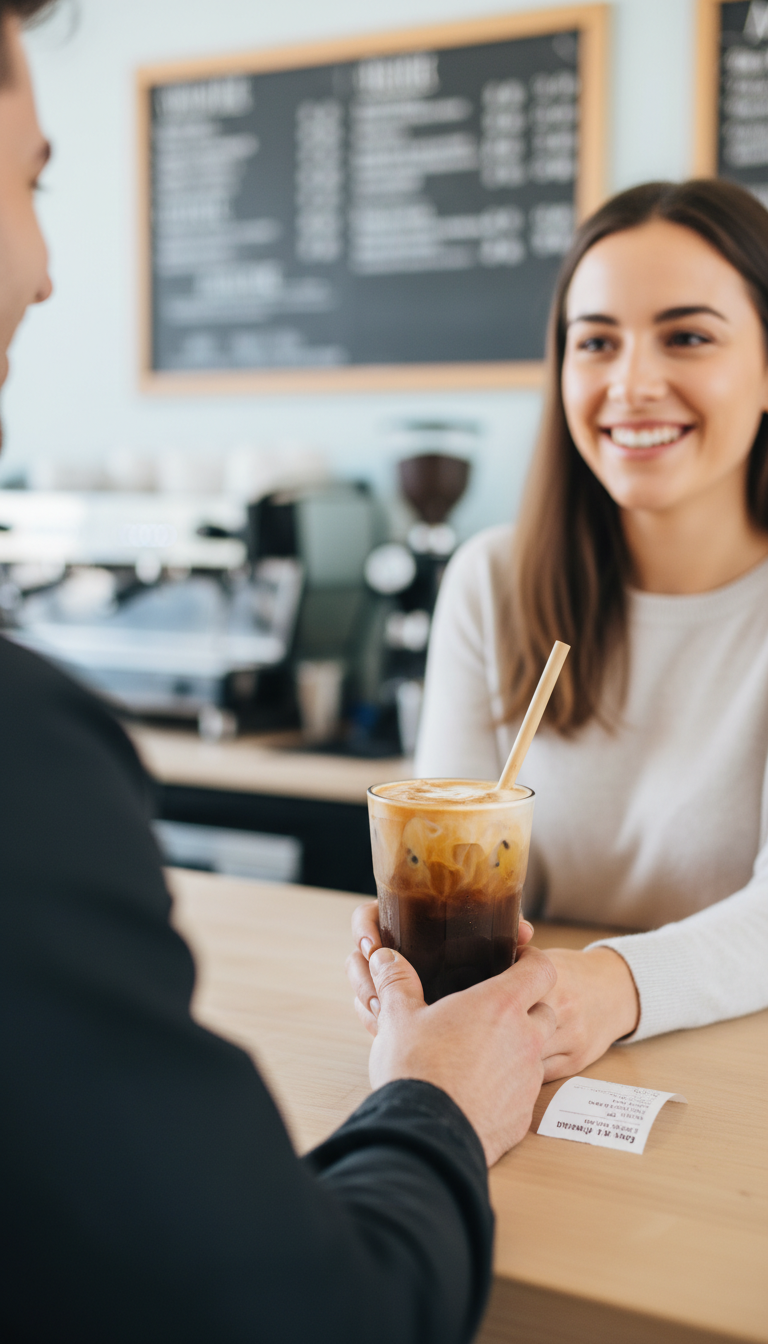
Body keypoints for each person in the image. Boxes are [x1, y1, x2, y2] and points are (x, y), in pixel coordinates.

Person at [0, 7, 559, 1341]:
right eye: (30, 183)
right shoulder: (32, 772)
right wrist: (428, 1103)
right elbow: (304, 1313)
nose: (48, 272)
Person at [348, 177, 768, 1081]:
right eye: (596, 342)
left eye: (687, 336)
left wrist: (611, 986)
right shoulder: (493, 582)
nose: (632, 383)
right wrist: (409, 931)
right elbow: (458, 856)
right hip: (538, 1059)